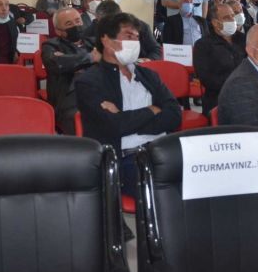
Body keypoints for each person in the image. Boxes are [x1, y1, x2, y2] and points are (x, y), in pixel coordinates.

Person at [75, 12, 182, 198]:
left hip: (162, 150)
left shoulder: (149, 75)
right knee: (171, 193)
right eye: (128, 35)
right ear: (106, 40)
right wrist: (153, 109)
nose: (135, 42)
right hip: (127, 159)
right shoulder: (90, 81)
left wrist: (128, 119)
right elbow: (115, 126)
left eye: (137, 37)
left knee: (206, 179)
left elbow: (174, 115)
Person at [42, 7, 99, 134]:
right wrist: (91, 58)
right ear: (58, 31)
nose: (76, 26)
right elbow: (57, 63)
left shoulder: (94, 42)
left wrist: (72, 62)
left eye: (78, 21)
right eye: (69, 24)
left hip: (98, 94)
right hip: (69, 100)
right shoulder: (50, 45)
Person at [194, 3, 247, 118]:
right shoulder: (203, 45)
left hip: (246, 94)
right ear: (215, 22)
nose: (232, 20)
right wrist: (234, 84)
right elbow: (206, 78)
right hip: (218, 98)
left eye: (232, 16)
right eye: (226, 17)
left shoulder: (243, 39)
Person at [84, 0, 162, 61]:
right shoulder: (91, 31)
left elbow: (156, 50)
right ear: (97, 19)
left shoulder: (140, 27)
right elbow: (86, 55)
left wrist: (148, 60)